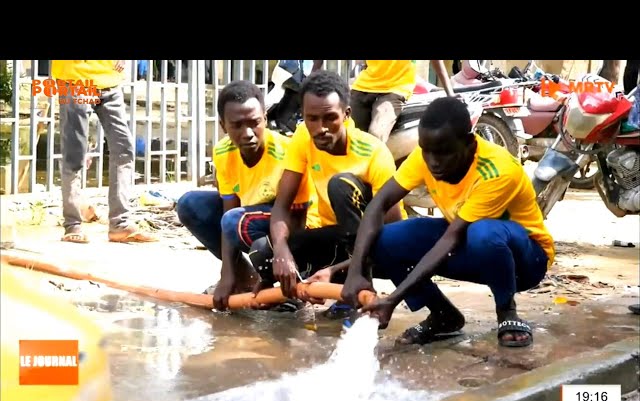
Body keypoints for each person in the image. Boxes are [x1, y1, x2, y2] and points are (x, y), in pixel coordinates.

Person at [342, 96, 555, 348]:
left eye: (443, 152)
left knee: (483, 232)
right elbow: (379, 204)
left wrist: (393, 300)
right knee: (386, 239)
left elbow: (450, 238)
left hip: (525, 261)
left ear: (469, 142)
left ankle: (507, 311)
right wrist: (355, 271)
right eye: (426, 150)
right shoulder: (425, 156)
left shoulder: (497, 169)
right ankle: (444, 316)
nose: (432, 161)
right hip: (472, 247)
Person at [249, 70, 406, 318]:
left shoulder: (374, 153)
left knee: (340, 184)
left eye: (330, 118)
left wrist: (340, 269)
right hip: (334, 240)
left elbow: (394, 228)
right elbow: (281, 206)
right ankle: (298, 295)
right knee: (262, 252)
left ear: (346, 115)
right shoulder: (304, 137)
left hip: (374, 245)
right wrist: (282, 252)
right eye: (312, 119)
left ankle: (358, 284)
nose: (320, 128)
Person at [176, 80, 320, 311]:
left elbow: (300, 219)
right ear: (223, 126)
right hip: (251, 220)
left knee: (235, 221)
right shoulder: (223, 152)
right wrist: (226, 275)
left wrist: (288, 259)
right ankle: (244, 279)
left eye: (254, 123)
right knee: (190, 205)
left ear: (265, 117)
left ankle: (290, 284)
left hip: (295, 228)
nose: (248, 134)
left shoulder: (287, 151)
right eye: (237, 125)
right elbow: (228, 208)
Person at [51, 60, 157, 244]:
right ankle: (72, 224)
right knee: (74, 154)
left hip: (109, 81)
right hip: (75, 80)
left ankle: (120, 224)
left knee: (124, 149)